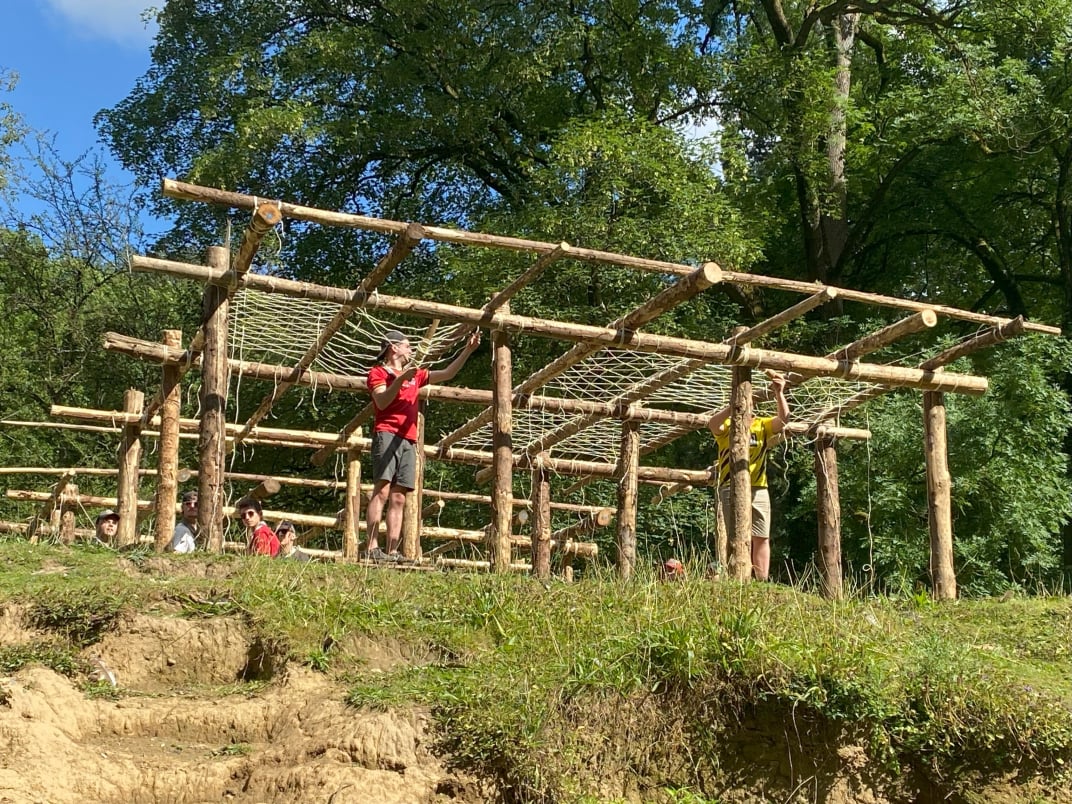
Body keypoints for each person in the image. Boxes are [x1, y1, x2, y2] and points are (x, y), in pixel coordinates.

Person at [364, 328, 481, 562]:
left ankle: (393, 551)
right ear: (393, 347)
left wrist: (468, 350)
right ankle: (371, 548)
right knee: (383, 490)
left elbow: (448, 373)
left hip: (409, 439)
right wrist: (400, 380)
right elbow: (382, 401)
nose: (411, 350)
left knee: (399, 497)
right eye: (407, 346)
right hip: (387, 434)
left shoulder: (415, 376)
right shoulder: (378, 373)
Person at [708, 371, 790, 582]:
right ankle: (735, 576)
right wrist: (733, 406)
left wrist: (779, 393)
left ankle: (761, 580)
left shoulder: (761, 425)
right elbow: (712, 424)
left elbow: (783, 420)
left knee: (761, 536)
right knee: (735, 535)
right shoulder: (727, 425)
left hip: (758, 487)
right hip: (730, 486)